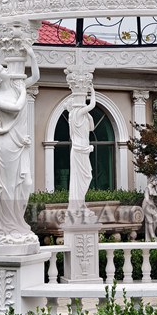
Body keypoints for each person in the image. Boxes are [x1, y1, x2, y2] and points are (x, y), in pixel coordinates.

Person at [0, 43, 39, 244]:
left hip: (20, 143)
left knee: (26, 184)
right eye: (3, 69)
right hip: (6, 145)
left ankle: (18, 223)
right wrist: (23, 89)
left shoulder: (16, 87)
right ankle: (6, 228)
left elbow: (36, 78)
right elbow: (16, 108)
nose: (7, 70)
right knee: (8, 188)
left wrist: (31, 56)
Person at [66, 86, 97, 220]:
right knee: (83, 177)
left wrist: (88, 116)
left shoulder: (80, 116)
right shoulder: (76, 113)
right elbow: (93, 104)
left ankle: (80, 204)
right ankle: (77, 206)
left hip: (82, 150)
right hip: (80, 150)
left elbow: (92, 127)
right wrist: (92, 91)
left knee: (84, 177)